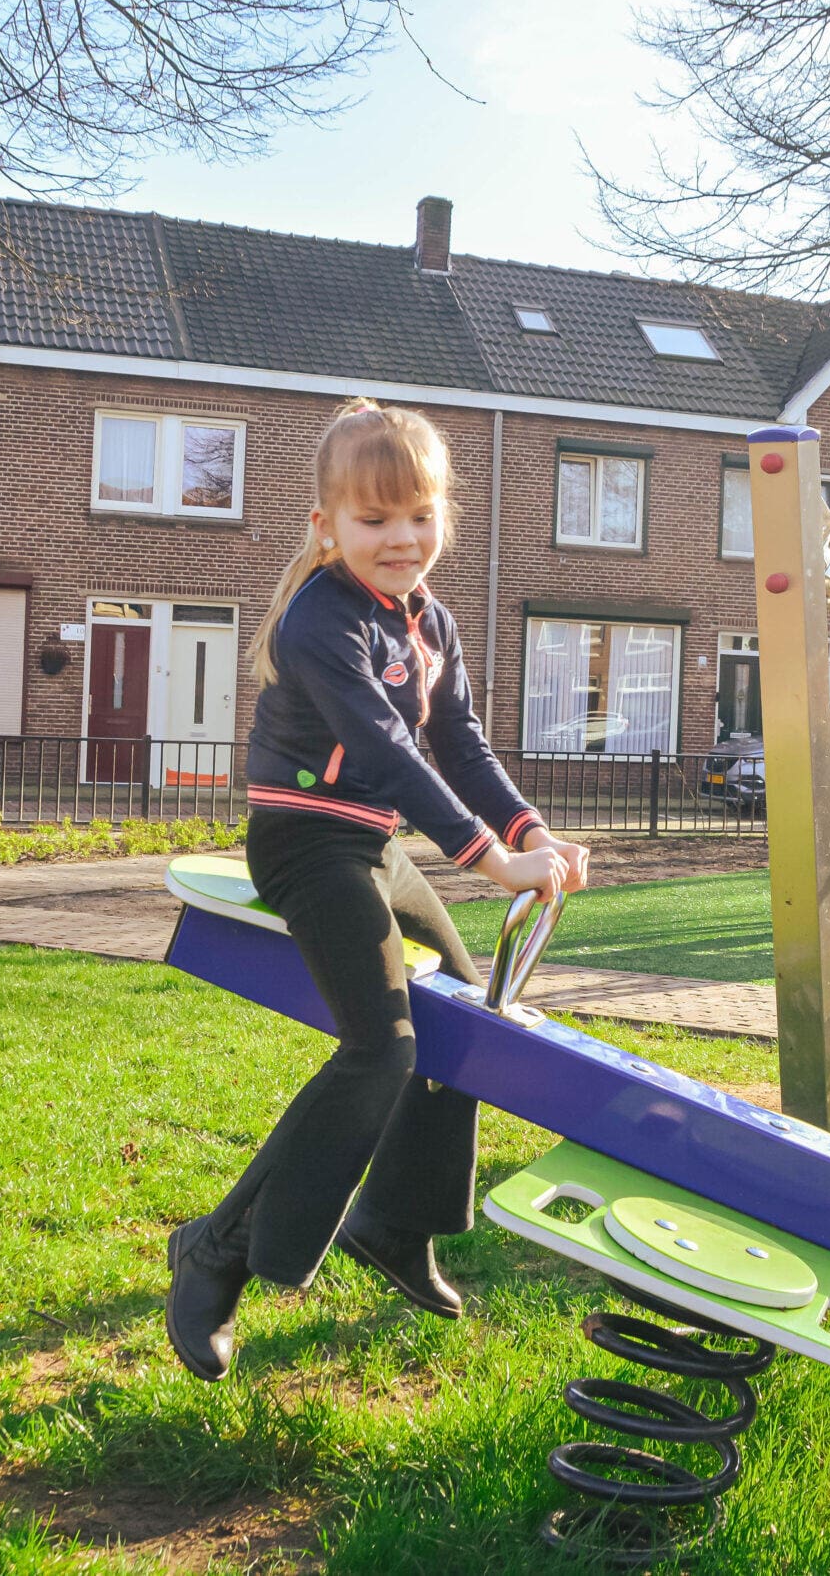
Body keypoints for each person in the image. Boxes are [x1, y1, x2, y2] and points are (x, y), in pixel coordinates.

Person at [165, 400, 588, 1381]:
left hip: (374, 847)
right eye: (374, 520)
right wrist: (490, 860)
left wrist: (532, 833)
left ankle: (394, 1222)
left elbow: (460, 746)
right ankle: (215, 1249)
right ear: (327, 527)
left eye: (420, 516)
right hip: (306, 843)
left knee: (464, 1021)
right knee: (381, 1046)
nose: (402, 539)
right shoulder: (322, 619)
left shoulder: (429, 620)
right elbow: (392, 753)